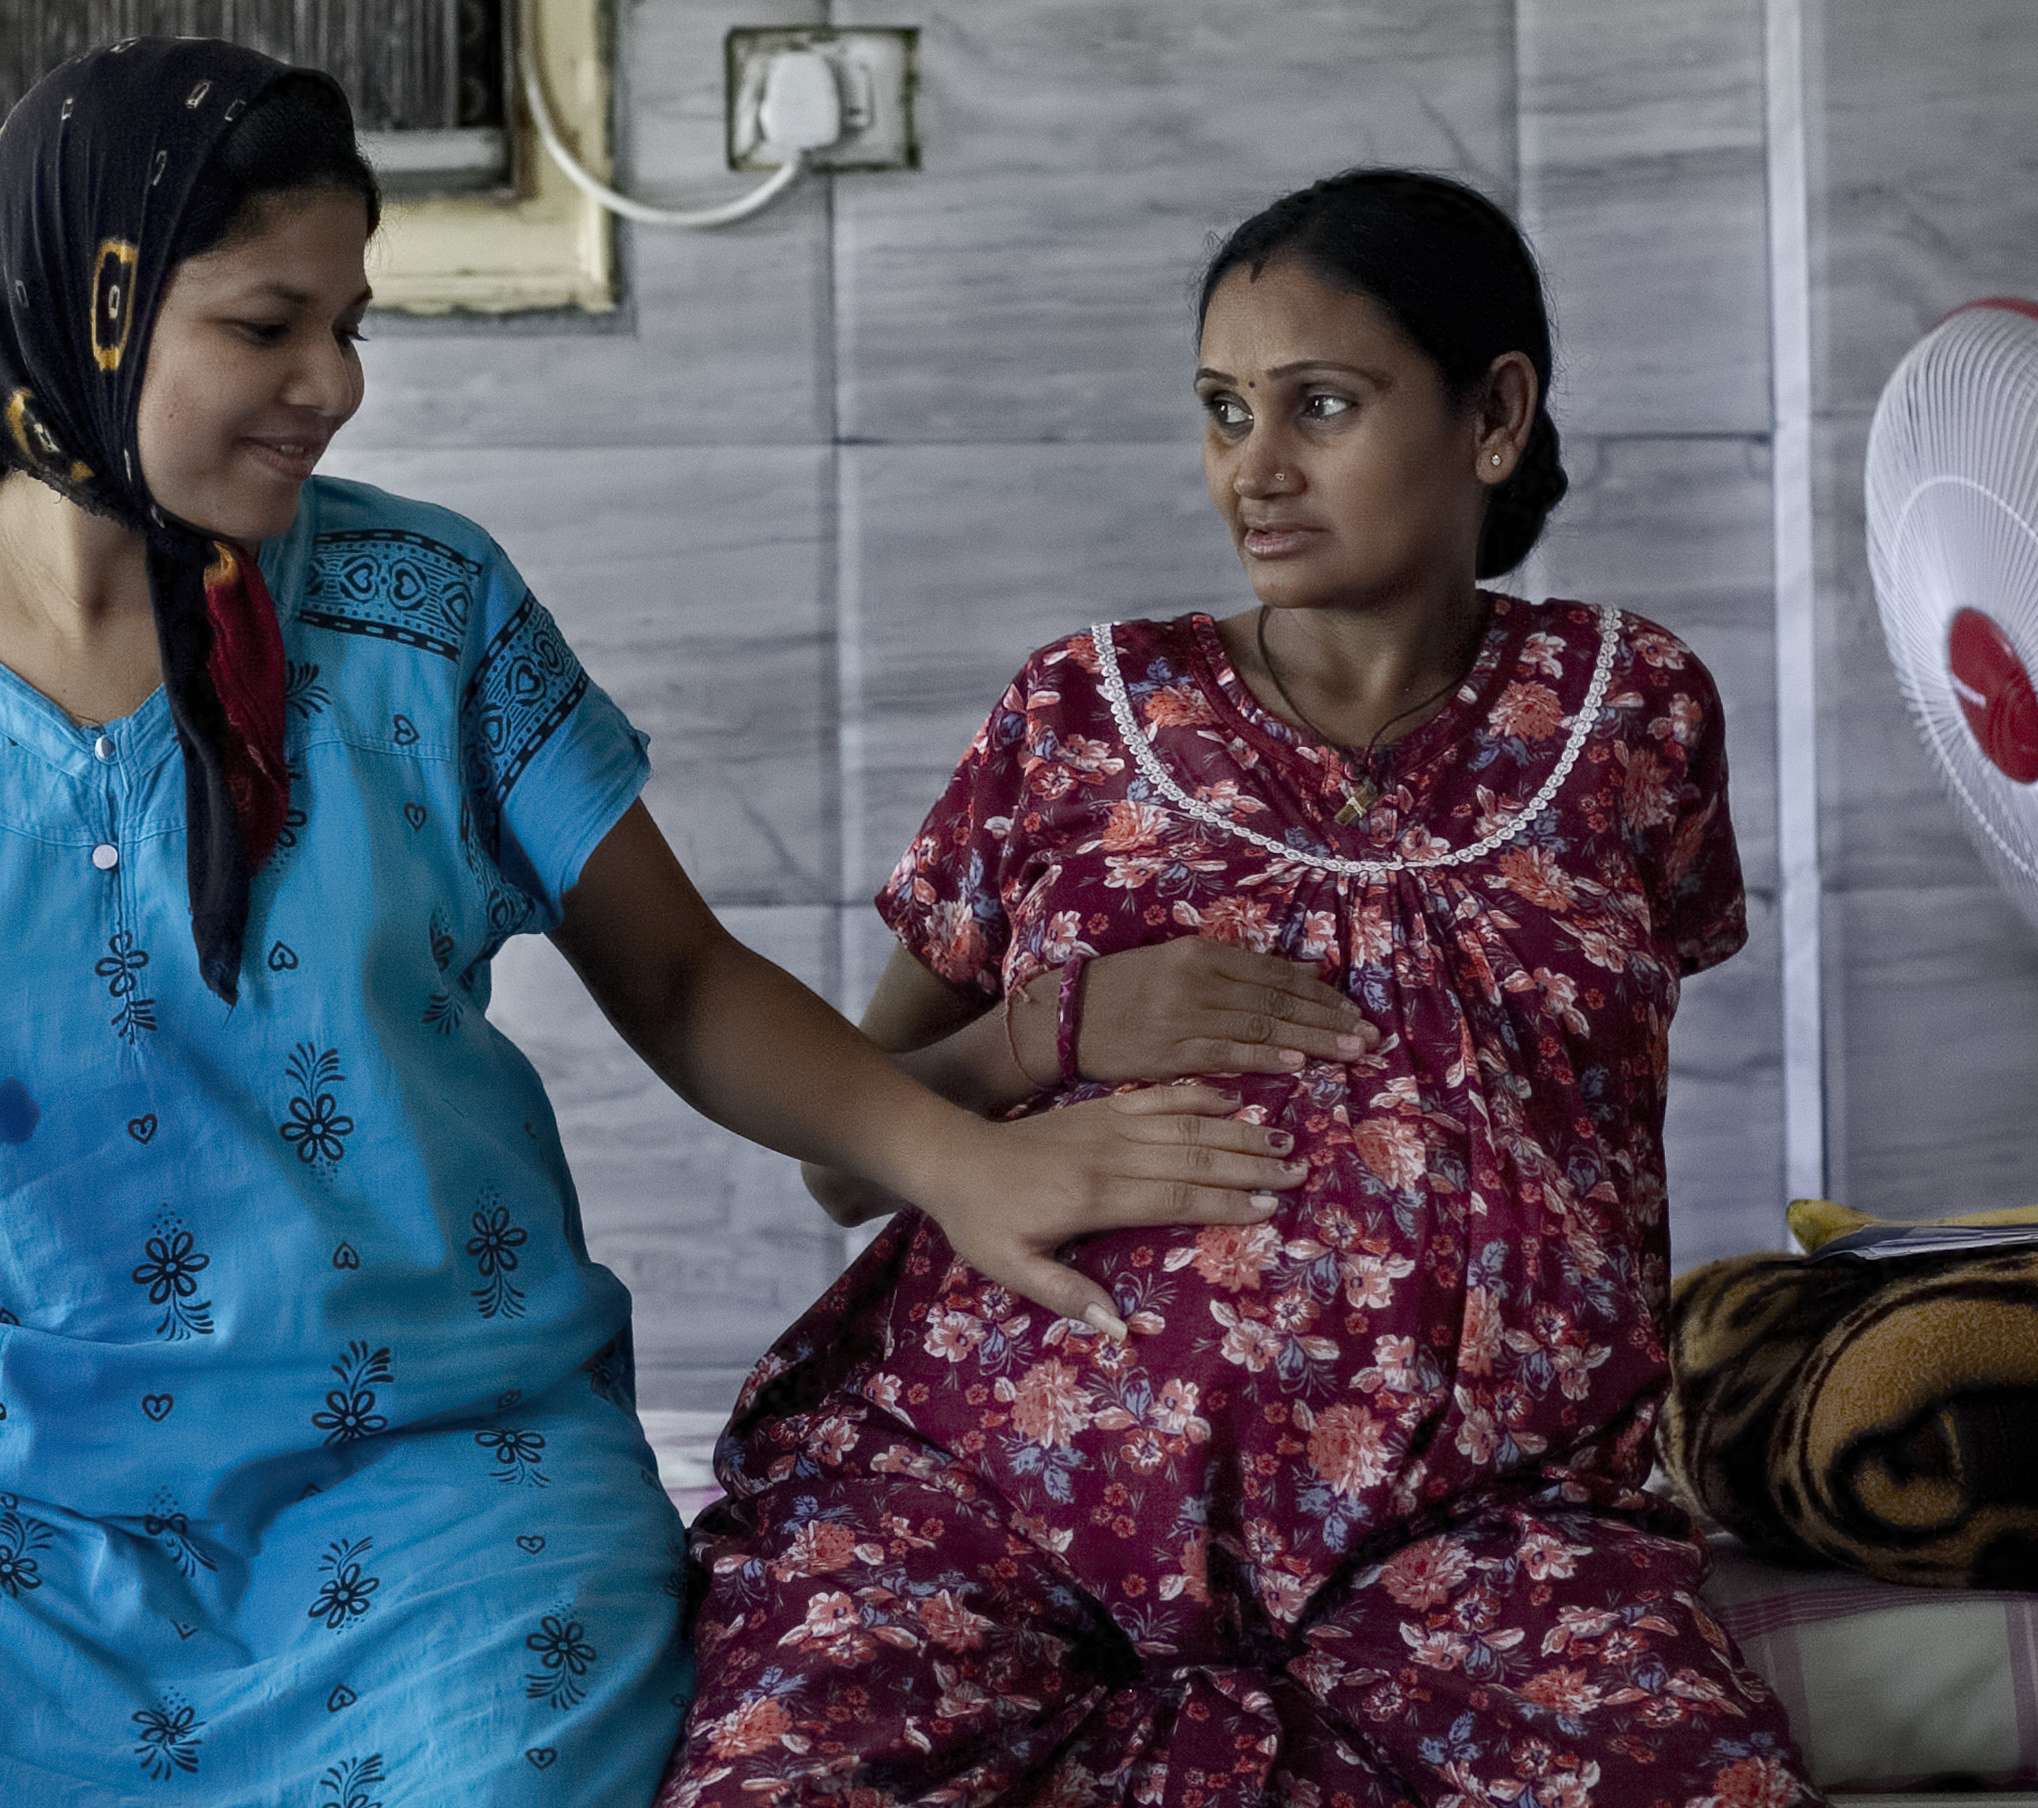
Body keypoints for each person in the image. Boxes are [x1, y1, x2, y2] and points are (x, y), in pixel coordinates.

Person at [0, 39, 1302, 1806]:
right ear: (87, 308)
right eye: (268, 325)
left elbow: (682, 981)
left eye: (351, 324)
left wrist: (960, 1161)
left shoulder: (425, 615)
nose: (335, 385)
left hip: (440, 1477)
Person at [664, 170, 1815, 1808]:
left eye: (1320, 407)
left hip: (1477, 1541)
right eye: (1223, 411)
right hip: (988, 1504)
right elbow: (839, 1163)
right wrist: (1054, 1030)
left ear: (1494, 416)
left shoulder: (1632, 711)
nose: (1253, 471)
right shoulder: (1078, 711)